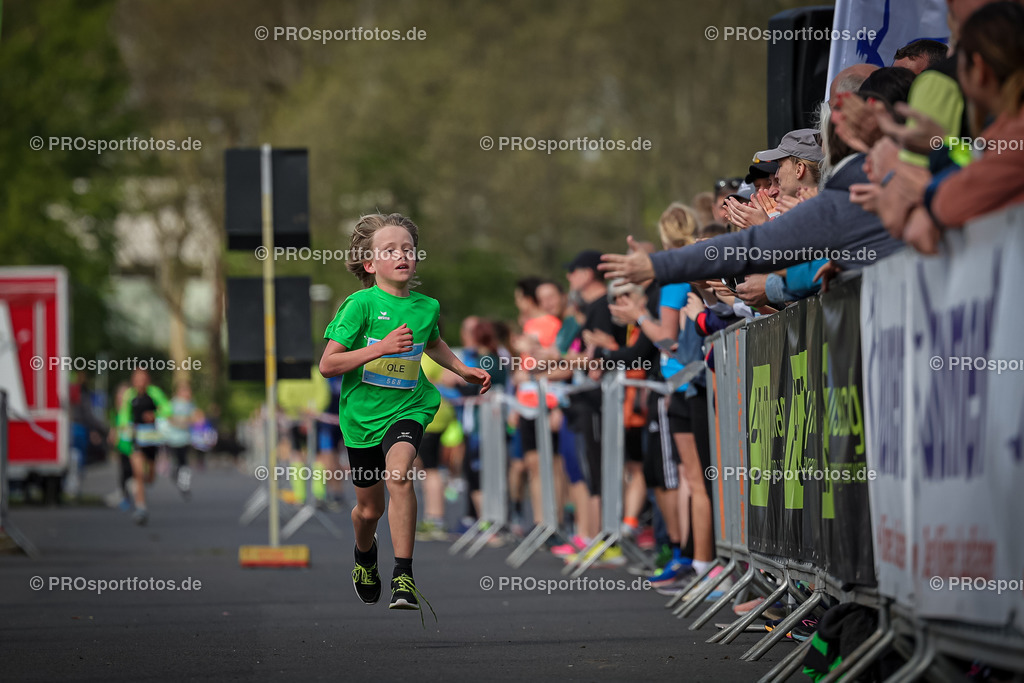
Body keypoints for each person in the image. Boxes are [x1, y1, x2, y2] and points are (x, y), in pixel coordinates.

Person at [319, 213, 490, 613]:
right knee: (369, 510)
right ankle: (365, 556)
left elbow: (433, 343)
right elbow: (328, 365)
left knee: (399, 475)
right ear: (370, 263)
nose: (402, 256)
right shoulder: (359, 305)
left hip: (410, 405)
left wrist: (462, 369)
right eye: (390, 250)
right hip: (362, 418)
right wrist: (380, 347)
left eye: (409, 250)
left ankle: (404, 574)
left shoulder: (426, 306)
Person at [117, 369, 171, 525]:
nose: (140, 381)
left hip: (152, 438)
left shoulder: (154, 393)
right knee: (138, 474)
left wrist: (155, 415)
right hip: (136, 438)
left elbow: (167, 409)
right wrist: (122, 428)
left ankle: (139, 488)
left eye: (142, 378)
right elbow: (124, 414)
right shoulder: (130, 395)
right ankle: (141, 508)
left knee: (150, 478)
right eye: (137, 378)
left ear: (147, 380)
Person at [166, 381, 197, 498]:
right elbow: (168, 417)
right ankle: (175, 473)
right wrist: (179, 422)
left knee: (184, 461)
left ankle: (184, 485)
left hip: (185, 438)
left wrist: (190, 421)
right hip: (173, 438)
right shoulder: (172, 403)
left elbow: (195, 417)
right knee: (177, 460)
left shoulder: (190, 404)